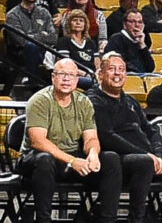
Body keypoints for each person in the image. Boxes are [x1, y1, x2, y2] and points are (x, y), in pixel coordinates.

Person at [88, 52, 162, 223]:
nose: (117, 74)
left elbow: (151, 131)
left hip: (149, 157)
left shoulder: (131, 101)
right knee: (144, 162)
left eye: (121, 70)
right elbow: (107, 136)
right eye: (112, 69)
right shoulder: (94, 100)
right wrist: (146, 154)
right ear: (101, 74)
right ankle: (137, 218)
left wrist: (159, 154)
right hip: (119, 160)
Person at [18, 59, 120, 223]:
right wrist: (72, 161)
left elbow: (91, 137)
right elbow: (38, 142)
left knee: (111, 159)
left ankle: (107, 219)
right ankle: (43, 220)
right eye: (62, 74)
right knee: (45, 159)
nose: (66, 79)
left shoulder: (84, 102)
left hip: (72, 157)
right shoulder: (39, 100)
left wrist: (93, 153)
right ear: (53, 77)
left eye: (71, 75)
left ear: (77, 80)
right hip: (37, 158)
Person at [6, 0, 58, 74]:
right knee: (31, 46)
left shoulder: (44, 12)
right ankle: (34, 80)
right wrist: (42, 34)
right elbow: (21, 41)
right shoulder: (12, 15)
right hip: (21, 53)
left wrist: (31, 35)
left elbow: (54, 37)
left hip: (45, 51)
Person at [53, 9, 99, 87]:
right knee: (94, 84)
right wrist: (85, 74)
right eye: (75, 20)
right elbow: (65, 65)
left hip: (92, 75)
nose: (78, 23)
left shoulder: (90, 42)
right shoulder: (63, 41)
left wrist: (97, 74)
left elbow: (97, 63)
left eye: (81, 20)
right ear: (69, 24)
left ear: (85, 24)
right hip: (73, 75)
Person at [104, 8, 154, 75]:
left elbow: (150, 68)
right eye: (133, 22)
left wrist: (142, 45)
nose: (137, 25)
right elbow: (117, 65)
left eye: (140, 22)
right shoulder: (116, 39)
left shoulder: (142, 41)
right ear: (125, 25)